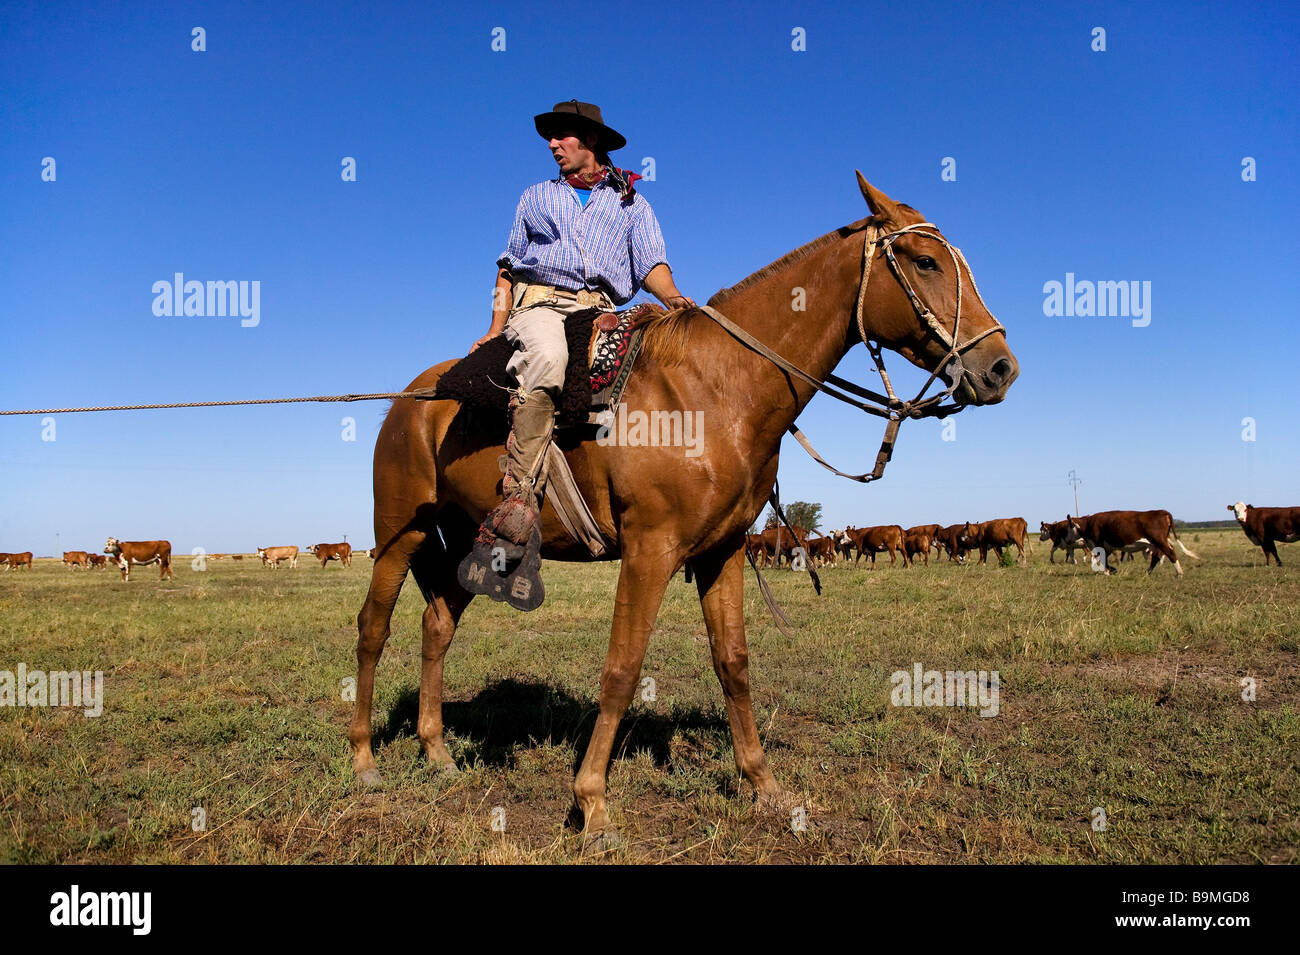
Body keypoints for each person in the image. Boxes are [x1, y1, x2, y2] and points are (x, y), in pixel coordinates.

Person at [473, 100, 694, 547]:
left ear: (590, 140)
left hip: (603, 308)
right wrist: (496, 328)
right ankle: (518, 495)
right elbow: (509, 267)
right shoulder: (536, 196)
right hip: (542, 305)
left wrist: (673, 298)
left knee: (660, 367)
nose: (553, 144)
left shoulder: (631, 202)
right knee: (551, 359)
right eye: (550, 138)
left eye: (562, 136)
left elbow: (650, 263)